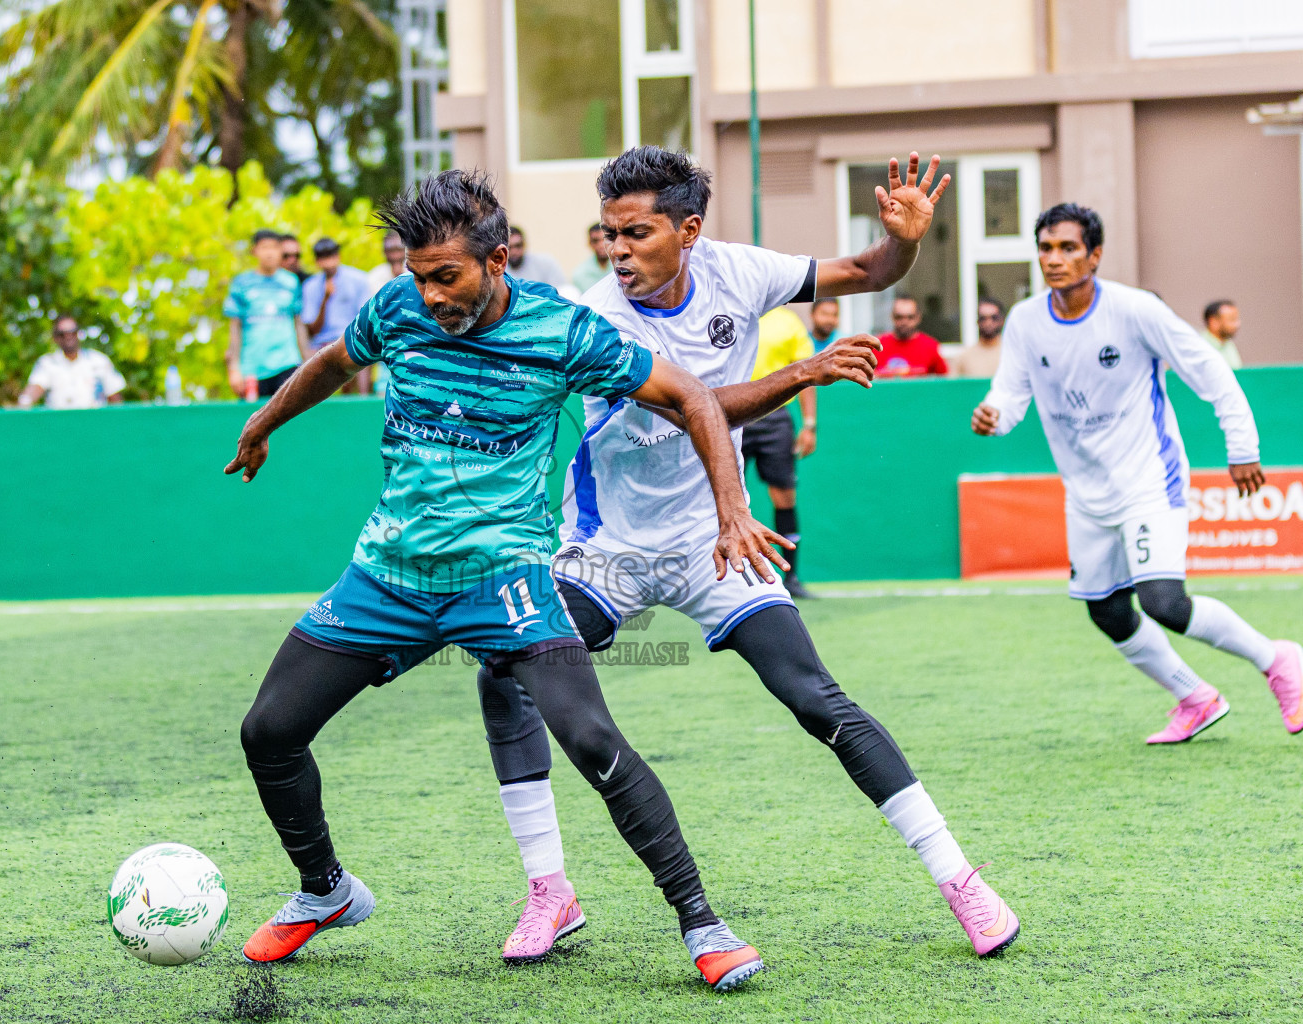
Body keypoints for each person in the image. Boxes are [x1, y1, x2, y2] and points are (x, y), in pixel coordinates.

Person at [226, 169, 792, 992]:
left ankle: (703, 923)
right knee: (268, 731)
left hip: (506, 579)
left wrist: (731, 506)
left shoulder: (563, 331)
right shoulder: (398, 306)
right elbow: (330, 359)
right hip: (389, 574)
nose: (427, 296)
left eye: (445, 277)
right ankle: (326, 892)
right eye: (416, 277)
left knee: (593, 741)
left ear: (497, 261)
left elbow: (693, 397)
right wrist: (264, 418)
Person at [479, 147, 1020, 967]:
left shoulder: (740, 272)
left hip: (716, 543)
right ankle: (550, 892)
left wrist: (906, 242)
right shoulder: (595, 317)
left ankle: (961, 879)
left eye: (637, 232)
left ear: (689, 230)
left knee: (817, 698)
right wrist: (802, 372)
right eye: (609, 234)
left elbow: (871, 270)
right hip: (607, 553)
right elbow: (690, 405)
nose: (618, 250)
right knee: (502, 673)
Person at [971, 202, 1300, 744]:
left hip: (1150, 478)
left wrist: (1242, 445)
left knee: (1164, 602)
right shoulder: (1026, 320)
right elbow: (1009, 394)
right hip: (1085, 492)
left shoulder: (1134, 310)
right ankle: (1195, 697)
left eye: (1068, 248)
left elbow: (1209, 368)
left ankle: (1280, 660)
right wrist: (994, 417)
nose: (1054, 259)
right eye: (1046, 248)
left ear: (1095, 255)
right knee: (1106, 610)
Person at [740, 303, 818, 598]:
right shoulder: (732, 313)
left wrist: (809, 424)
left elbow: (806, 375)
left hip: (775, 418)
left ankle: (791, 577)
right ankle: (730, 580)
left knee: (784, 497)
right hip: (732, 414)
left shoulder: (788, 323)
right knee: (725, 497)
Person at [225, 229, 309, 400]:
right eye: (264, 247)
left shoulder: (291, 282)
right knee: (255, 422)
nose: (269, 252)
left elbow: (298, 324)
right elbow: (235, 328)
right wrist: (233, 369)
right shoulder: (241, 283)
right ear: (254, 251)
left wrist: (307, 363)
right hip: (252, 369)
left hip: (287, 364)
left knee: (290, 419)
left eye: (274, 247)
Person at [302, 237, 373, 395]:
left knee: (364, 352)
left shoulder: (358, 279)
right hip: (322, 344)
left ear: (338, 256)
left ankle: (363, 399)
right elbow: (313, 329)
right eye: (323, 257)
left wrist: (347, 342)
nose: (328, 261)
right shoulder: (310, 285)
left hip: (351, 339)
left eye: (331, 255)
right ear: (317, 261)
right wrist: (325, 299)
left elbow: (364, 319)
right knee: (309, 360)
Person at [18, 316, 125, 409]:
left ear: (78, 334)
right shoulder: (48, 363)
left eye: (72, 332)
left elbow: (115, 398)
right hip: (60, 426)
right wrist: (24, 403)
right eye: (62, 334)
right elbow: (35, 388)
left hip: (94, 425)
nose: (68, 337)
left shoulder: (98, 360)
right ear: (55, 338)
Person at [876, 295, 947, 376]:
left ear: (918, 318)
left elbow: (943, 380)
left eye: (910, 317)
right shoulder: (878, 345)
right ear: (892, 317)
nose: (904, 322)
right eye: (899, 317)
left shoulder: (930, 346)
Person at [952, 297, 1005, 378]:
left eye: (994, 318)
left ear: (1002, 321)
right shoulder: (964, 357)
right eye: (983, 318)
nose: (988, 323)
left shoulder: (1012, 354)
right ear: (977, 322)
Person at [1201, 299, 1243, 369]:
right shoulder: (1200, 345)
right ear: (1213, 322)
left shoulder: (1229, 345)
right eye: (1232, 319)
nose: (1237, 324)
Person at [569, 222, 610, 292]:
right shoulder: (580, 274)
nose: (601, 245)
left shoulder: (623, 267)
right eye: (595, 241)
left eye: (605, 239)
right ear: (589, 243)